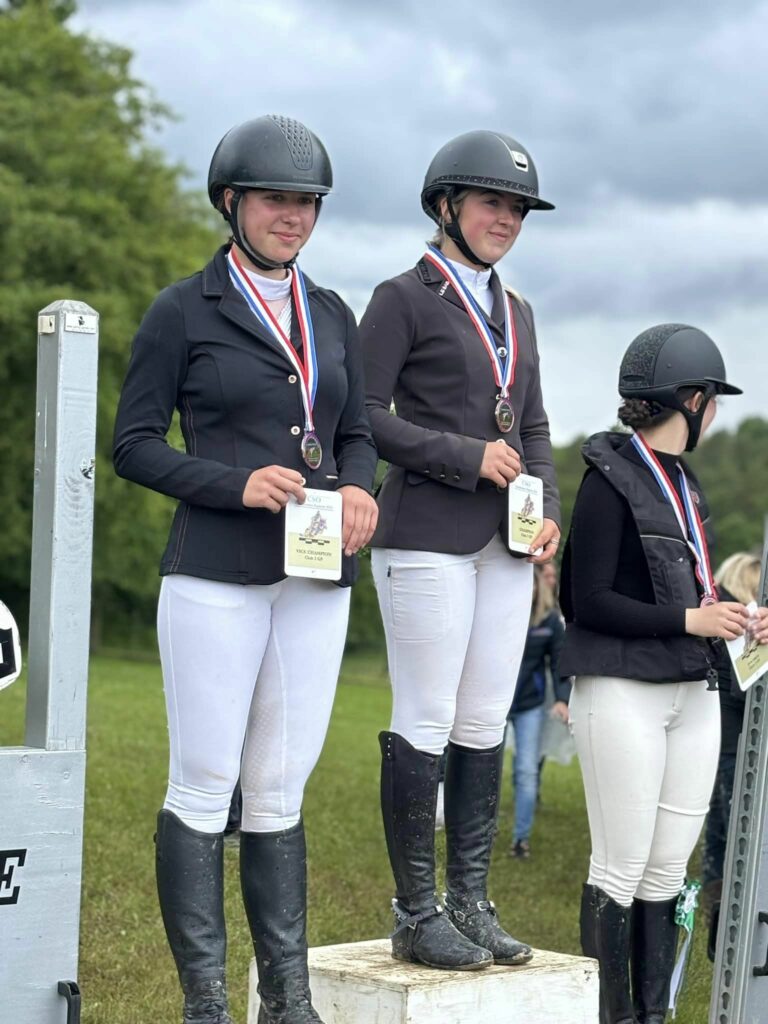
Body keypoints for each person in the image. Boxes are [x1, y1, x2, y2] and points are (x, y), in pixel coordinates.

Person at [113, 115, 378, 1024]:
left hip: (313, 579)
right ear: (232, 202)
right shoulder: (182, 309)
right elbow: (134, 446)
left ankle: (287, 1002)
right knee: (202, 780)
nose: (293, 217)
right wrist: (233, 483)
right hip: (216, 574)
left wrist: (357, 487)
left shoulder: (333, 313)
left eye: (307, 204)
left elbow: (354, 430)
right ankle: (205, 1005)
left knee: (278, 789)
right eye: (276, 200)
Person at [359, 130, 561, 971]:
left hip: (503, 548)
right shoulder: (401, 297)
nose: (506, 219)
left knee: (484, 721)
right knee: (429, 717)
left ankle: (472, 900)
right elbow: (365, 416)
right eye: (491, 203)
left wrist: (547, 509)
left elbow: (539, 427)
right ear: (446, 207)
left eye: (517, 209)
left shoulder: (518, 313)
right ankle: (415, 910)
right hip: (425, 537)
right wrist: (464, 455)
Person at [559, 324, 768, 1024]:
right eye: (714, 402)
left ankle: (652, 1016)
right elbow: (587, 602)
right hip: (622, 691)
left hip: (693, 692)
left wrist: (735, 618)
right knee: (619, 868)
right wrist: (690, 623)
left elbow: (687, 593)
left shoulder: (687, 483)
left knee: (665, 871)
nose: (715, 415)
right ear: (694, 399)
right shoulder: (605, 480)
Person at [701, 552, 762, 956]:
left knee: (723, 831)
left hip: (725, 741)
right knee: (728, 830)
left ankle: (721, 914)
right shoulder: (736, 630)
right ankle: (720, 919)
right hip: (731, 742)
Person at [507, 565, 570, 859]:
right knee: (482, 770)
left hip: (529, 703)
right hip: (492, 702)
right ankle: (475, 833)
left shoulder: (549, 621)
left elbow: (558, 665)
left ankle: (521, 839)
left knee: (527, 771)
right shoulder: (500, 613)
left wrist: (562, 699)